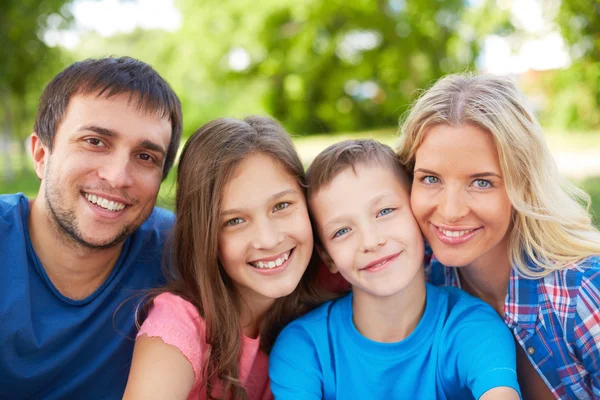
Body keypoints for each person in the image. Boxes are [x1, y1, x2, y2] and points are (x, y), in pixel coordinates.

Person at [396, 73, 600, 400]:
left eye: (482, 182)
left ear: (524, 186)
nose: (450, 211)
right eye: (431, 179)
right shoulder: (415, 280)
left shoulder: (582, 294)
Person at [269, 139, 521, 399]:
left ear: (418, 215)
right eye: (342, 231)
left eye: (385, 211)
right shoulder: (304, 347)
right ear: (327, 257)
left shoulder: (469, 326)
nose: (371, 241)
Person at [0, 56, 182, 399]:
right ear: (41, 155)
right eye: (95, 142)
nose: (117, 177)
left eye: (145, 157)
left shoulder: (178, 250)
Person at [122, 116, 327, 400]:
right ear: (205, 238)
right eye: (234, 221)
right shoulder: (178, 327)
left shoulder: (333, 282)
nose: (268, 239)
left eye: (281, 205)